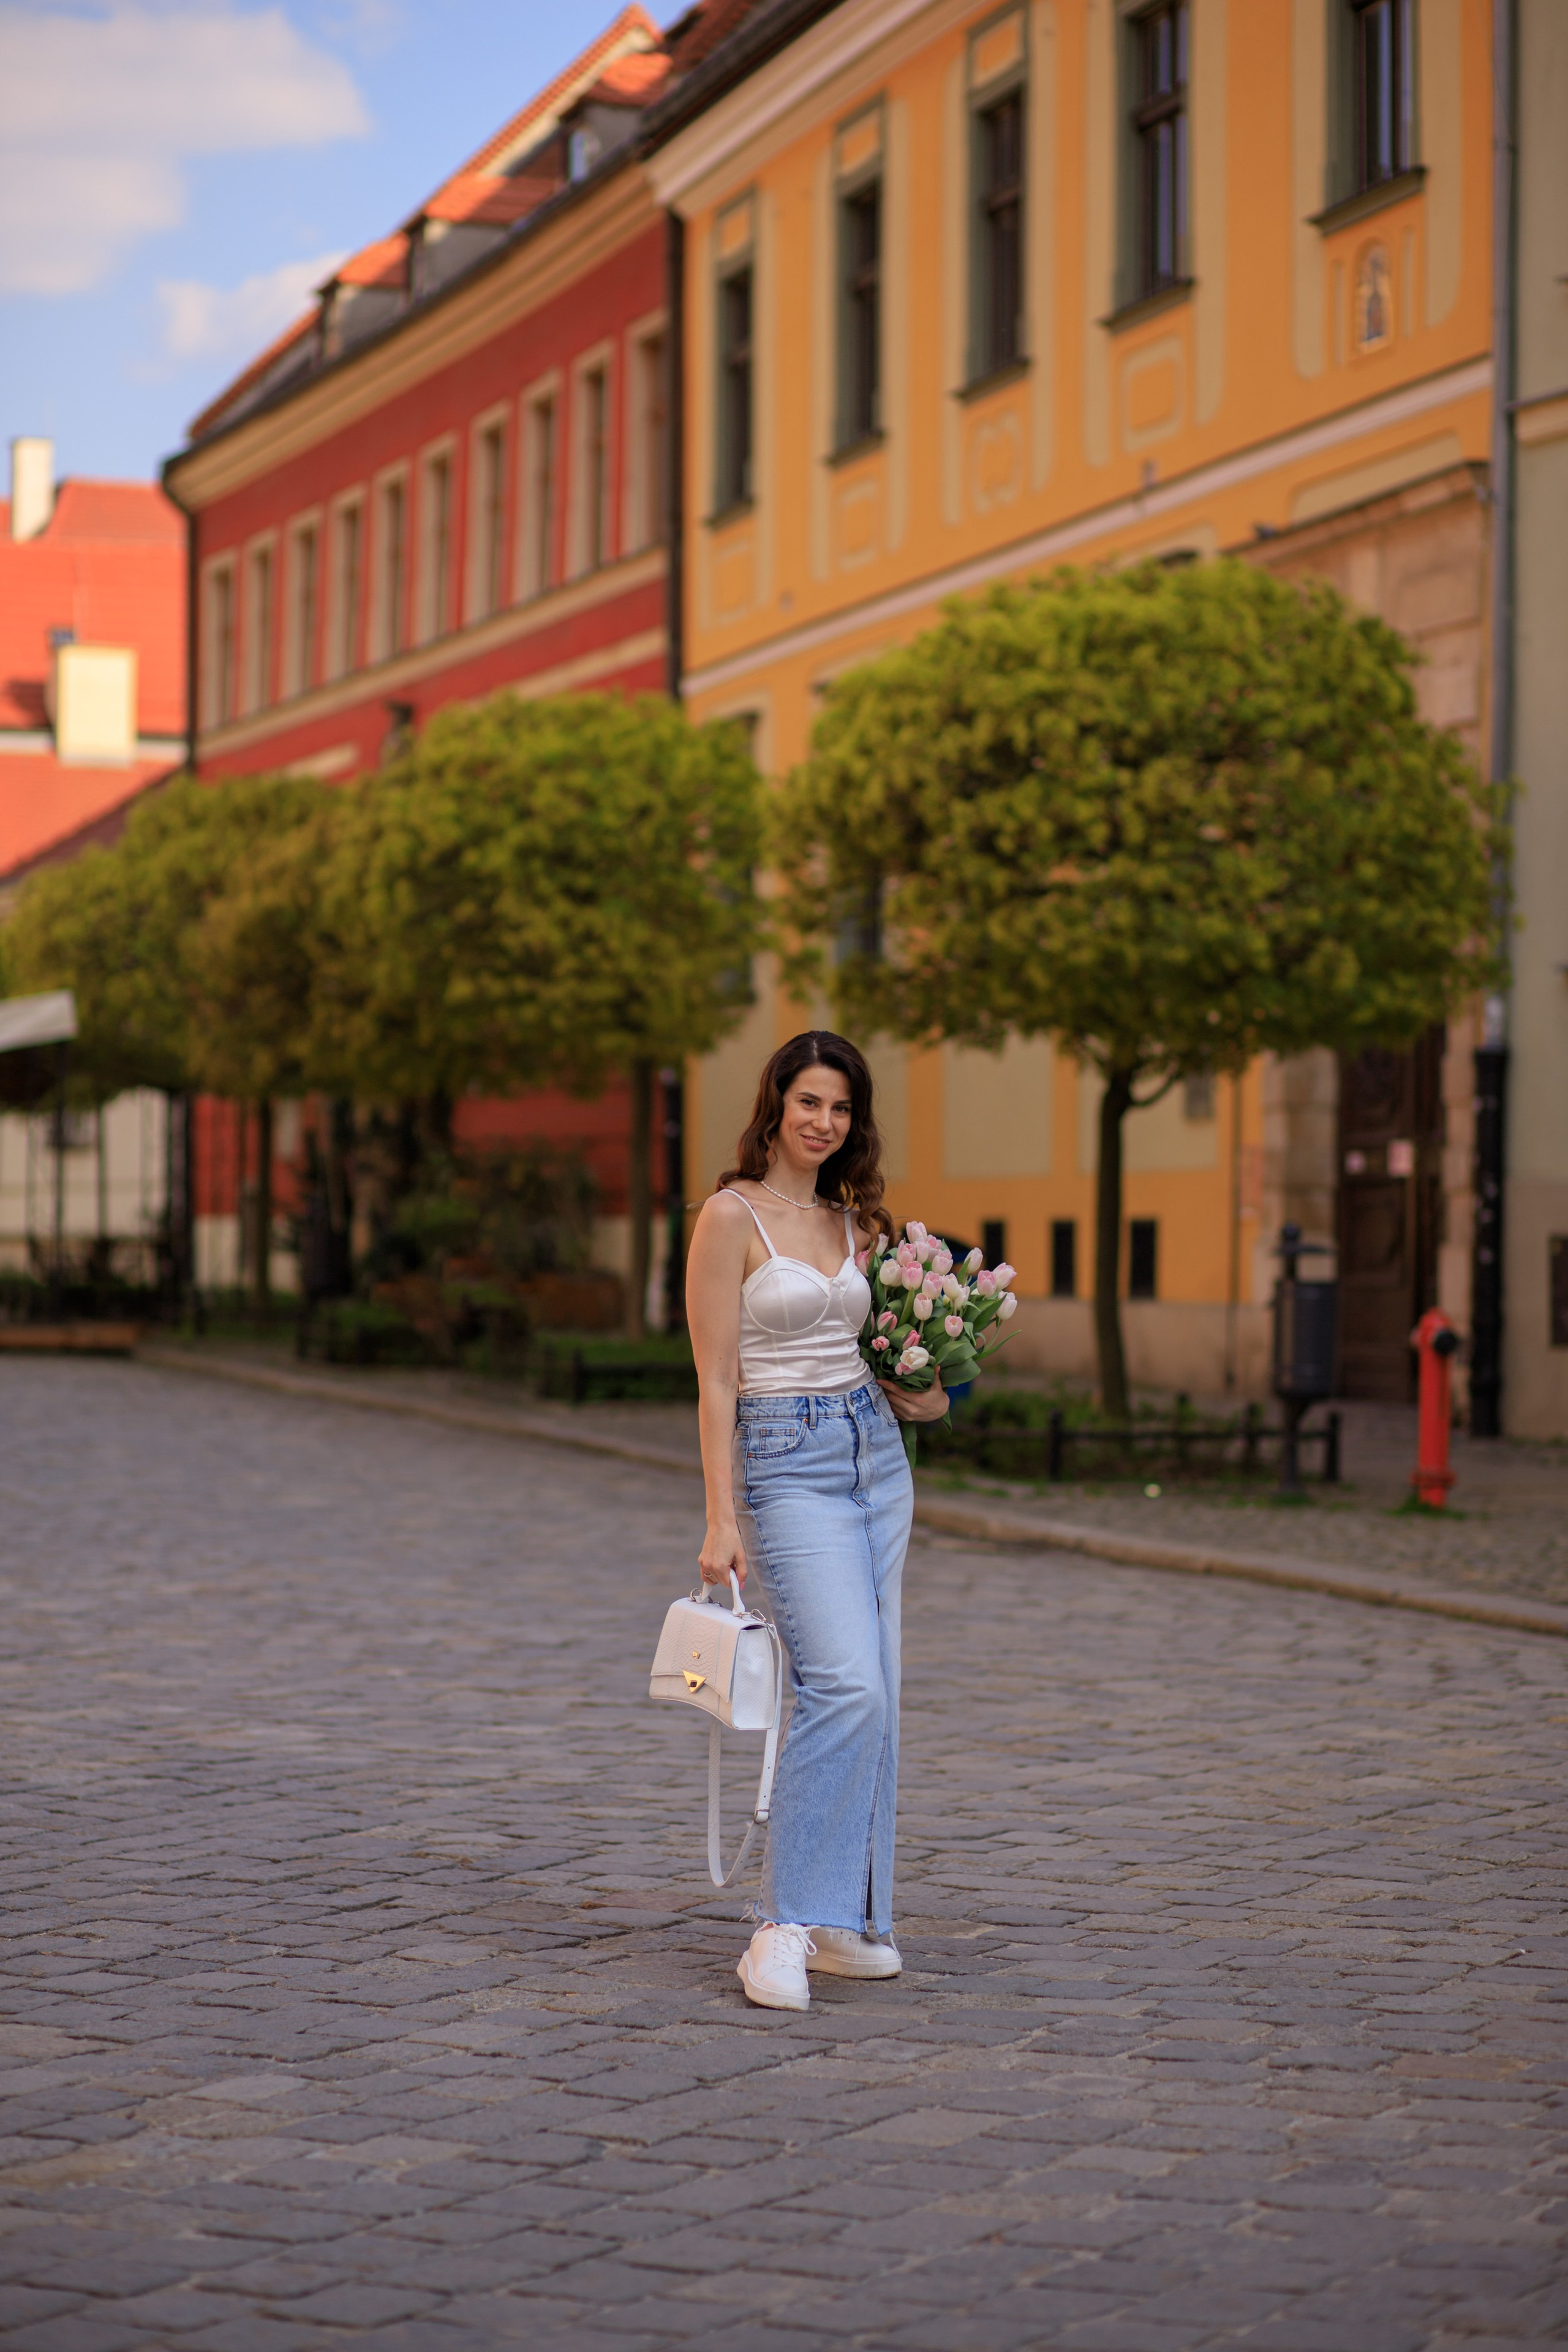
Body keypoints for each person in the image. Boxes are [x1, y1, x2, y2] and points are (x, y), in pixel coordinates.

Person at [685, 1031, 948, 2012]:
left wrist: (927, 1398)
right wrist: (722, 1516)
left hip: (873, 1459)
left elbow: (883, 1354)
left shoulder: (856, 1224)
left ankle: (853, 1921)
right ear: (776, 1105)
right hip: (786, 1463)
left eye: (840, 1109)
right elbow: (715, 1379)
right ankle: (783, 1926)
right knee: (844, 1685)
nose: (823, 1123)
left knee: (877, 1687)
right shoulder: (729, 1216)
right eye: (808, 1103)